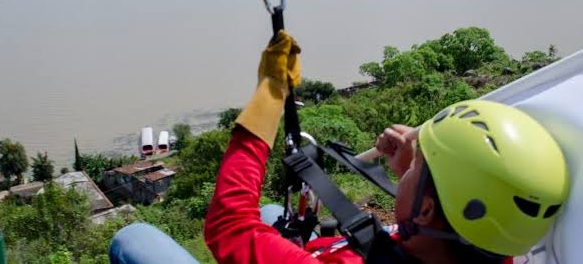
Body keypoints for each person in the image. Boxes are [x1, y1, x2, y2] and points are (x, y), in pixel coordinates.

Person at [203, 31, 570, 263]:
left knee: (142, 238)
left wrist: (269, 93)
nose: (408, 166)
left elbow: (228, 225)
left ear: (425, 211)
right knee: (270, 212)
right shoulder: (491, 244)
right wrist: (417, 174)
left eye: (416, 167)